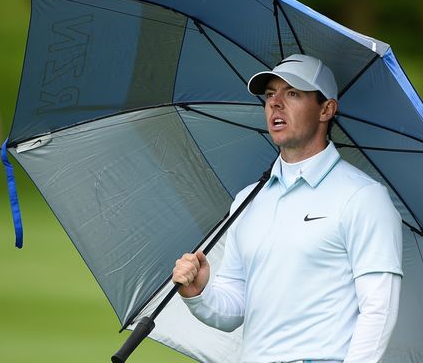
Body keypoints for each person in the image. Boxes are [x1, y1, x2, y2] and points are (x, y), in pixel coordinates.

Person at [172, 54, 404, 363]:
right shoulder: (247, 200)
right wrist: (199, 294)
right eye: (270, 95)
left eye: (292, 93)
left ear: (326, 109)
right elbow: (232, 310)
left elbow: (379, 308)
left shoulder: (364, 197)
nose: (275, 104)